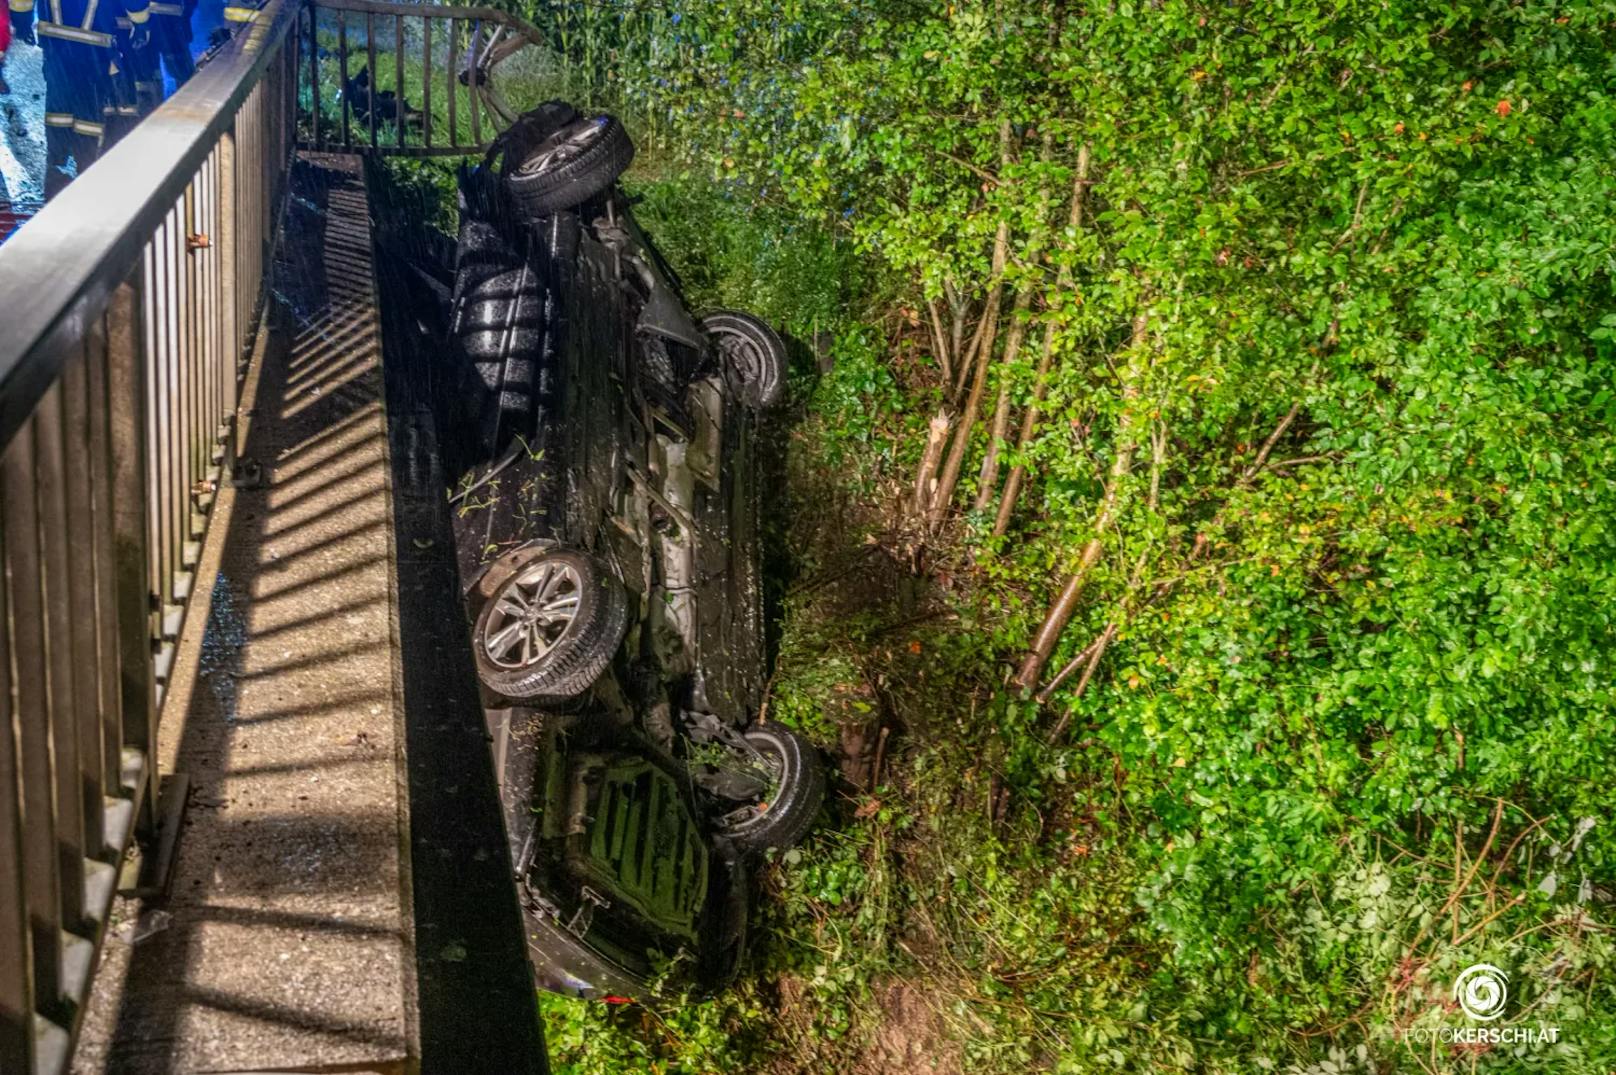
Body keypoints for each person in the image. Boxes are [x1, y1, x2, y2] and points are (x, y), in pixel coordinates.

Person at [10, 0, 151, 197]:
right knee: (88, 116)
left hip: (55, 43)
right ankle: (87, 178)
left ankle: (56, 179)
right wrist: (141, 22)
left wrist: (22, 20)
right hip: (94, 46)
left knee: (58, 112)